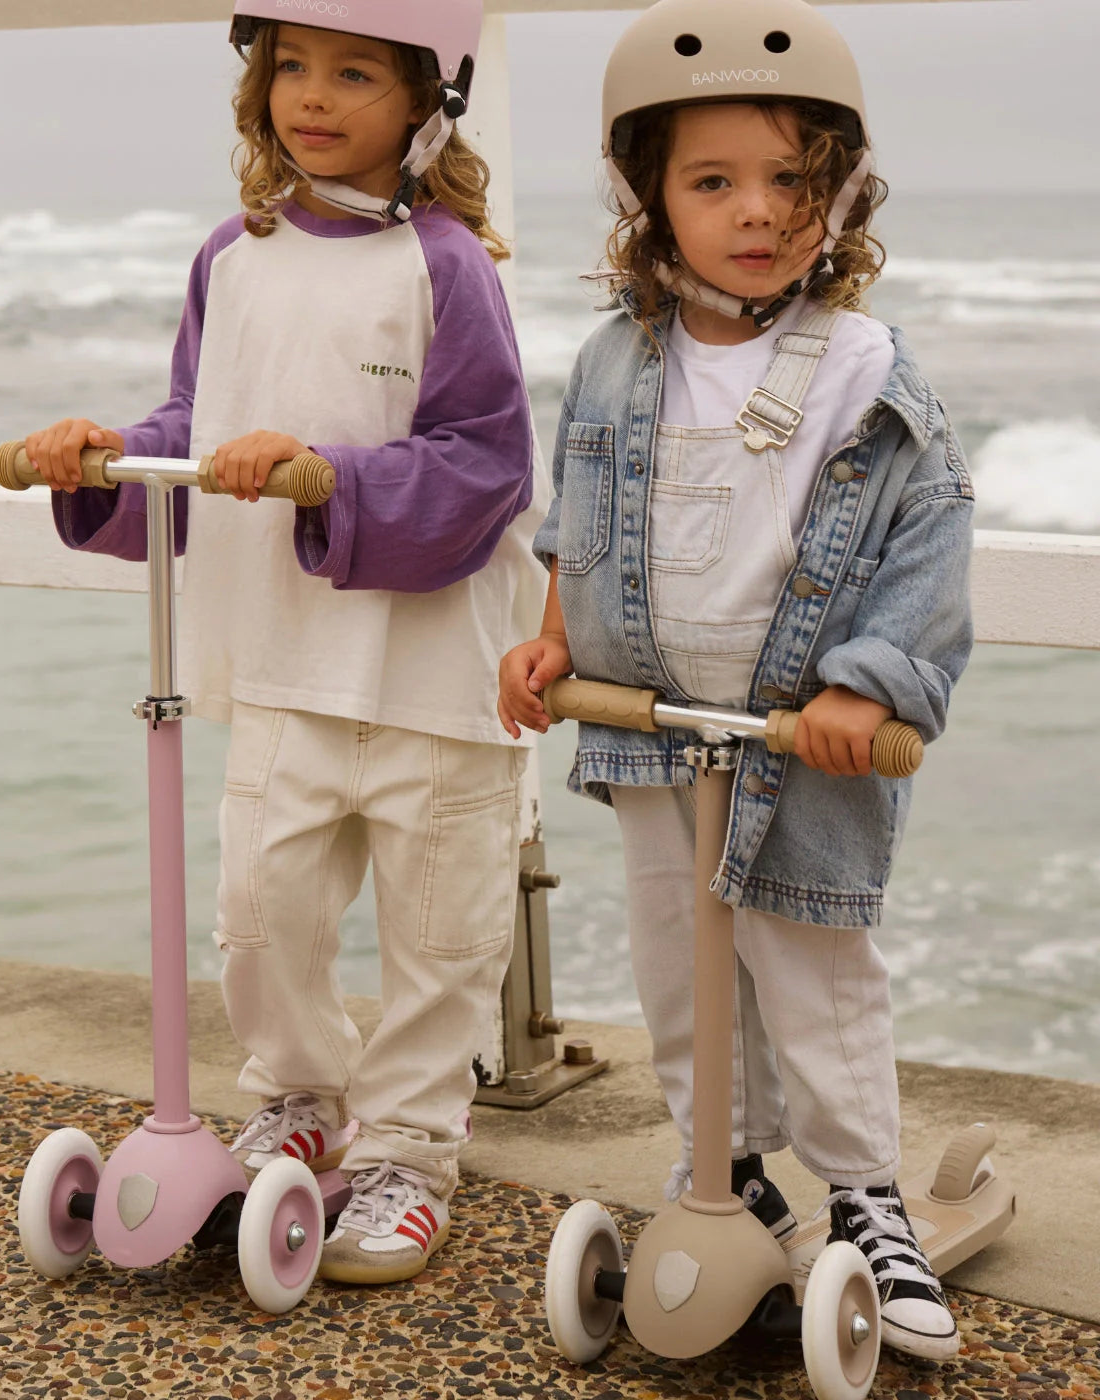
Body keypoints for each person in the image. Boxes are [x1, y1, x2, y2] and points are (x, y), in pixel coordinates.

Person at [26, 0, 549, 1285]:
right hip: (278, 662)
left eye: (353, 72)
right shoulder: (233, 255)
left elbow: (484, 460)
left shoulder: (445, 263)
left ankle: (413, 1145)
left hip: (431, 670)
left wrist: (329, 475)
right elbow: (195, 423)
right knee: (262, 913)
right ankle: (303, 1093)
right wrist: (105, 460)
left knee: (440, 934)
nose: (311, 96)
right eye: (290, 68)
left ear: (429, 100)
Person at [497, 0, 973, 1361]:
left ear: (841, 197)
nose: (757, 212)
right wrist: (555, 642)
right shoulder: (613, 361)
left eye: (793, 182)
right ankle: (728, 1165)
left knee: (810, 971)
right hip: (657, 730)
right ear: (651, 197)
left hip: (795, 736)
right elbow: (578, 526)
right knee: (679, 971)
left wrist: (870, 690)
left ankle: (866, 1197)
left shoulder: (863, 366)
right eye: (714, 182)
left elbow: (926, 543)